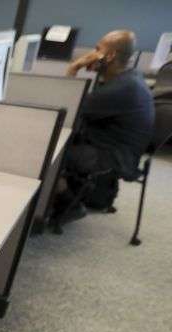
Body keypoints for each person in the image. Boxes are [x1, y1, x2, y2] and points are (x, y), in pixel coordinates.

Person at [55, 30, 155, 217]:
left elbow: (67, 109)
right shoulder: (129, 78)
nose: (90, 55)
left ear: (109, 56)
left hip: (114, 156)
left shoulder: (123, 88)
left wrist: (74, 68)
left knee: (51, 156)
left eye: (97, 49)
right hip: (118, 148)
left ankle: (69, 203)